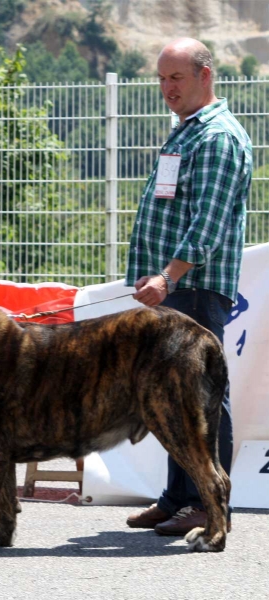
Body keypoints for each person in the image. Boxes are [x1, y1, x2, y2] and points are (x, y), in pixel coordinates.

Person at [125, 37, 253, 536]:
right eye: (161, 79)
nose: (166, 88)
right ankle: (179, 497)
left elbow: (210, 222)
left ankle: (208, 502)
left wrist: (168, 275)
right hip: (174, 287)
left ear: (206, 75)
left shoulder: (217, 136)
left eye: (175, 77)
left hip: (192, 288)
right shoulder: (187, 132)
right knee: (171, 397)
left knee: (199, 397)